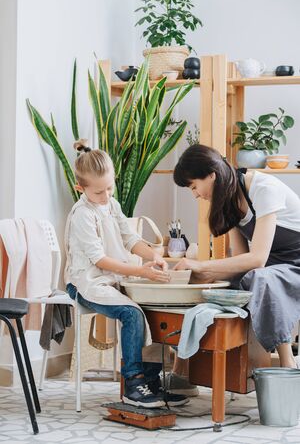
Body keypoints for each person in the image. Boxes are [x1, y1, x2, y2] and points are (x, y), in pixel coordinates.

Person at [64, 139, 188, 408]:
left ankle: (152, 381)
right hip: (85, 283)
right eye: (98, 192)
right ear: (80, 188)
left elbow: (131, 240)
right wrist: (140, 270)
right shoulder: (82, 215)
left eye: (110, 187)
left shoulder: (113, 205)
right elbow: (99, 259)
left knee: (151, 308)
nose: (106, 196)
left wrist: (154, 256)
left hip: (111, 281)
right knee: (131, 313)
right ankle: (133, 383)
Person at [172, 143, 300, 370]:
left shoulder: (264, 188)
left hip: (293, 263)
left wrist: (202, 265)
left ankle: (287, 362)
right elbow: (241, 260)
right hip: (271, 263)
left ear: (211, 175)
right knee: (211, 282)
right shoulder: (228, 200)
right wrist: (203, 275)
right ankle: (183, 370)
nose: (195, 195)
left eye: (194, 187)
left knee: (262, 279)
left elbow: (257, 259)